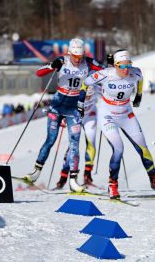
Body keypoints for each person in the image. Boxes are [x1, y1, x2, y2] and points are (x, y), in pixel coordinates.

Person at [82, 49, 155, 199]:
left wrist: (138, 95)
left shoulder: (135, 72)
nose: (125, 70)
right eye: (122, 66)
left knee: (143, 148)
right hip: (108, 116)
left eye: (128, 65)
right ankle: (113, 185)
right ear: (115, 65)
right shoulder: (106, 74)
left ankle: (154, 181)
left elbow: (140, 79)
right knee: (119, 149)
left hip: (126, 114)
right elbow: (86, 83)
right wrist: (80, 102)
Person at [23, 38, 104, 192]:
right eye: (75, 56)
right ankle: (36, 172)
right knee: (51, 140)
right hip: (57, 104)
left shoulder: (88, 62)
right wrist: (52, 66)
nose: (77, 60)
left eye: (80, 56)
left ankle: (73, 180)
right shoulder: (62, 60)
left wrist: (110, 66)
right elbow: (39, 73)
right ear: (69, 53)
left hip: (74, 107)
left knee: (74, 143)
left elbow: (105, 71)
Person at [55, 84, 100, 188]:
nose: (87, 98)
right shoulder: (75, 91)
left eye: (90, 96)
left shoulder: (96, 86)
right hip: (76, 116)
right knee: (72, 147)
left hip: (90, 115)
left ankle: (87, 176)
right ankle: (63, 178)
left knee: (91, 141)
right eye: (86, 96)